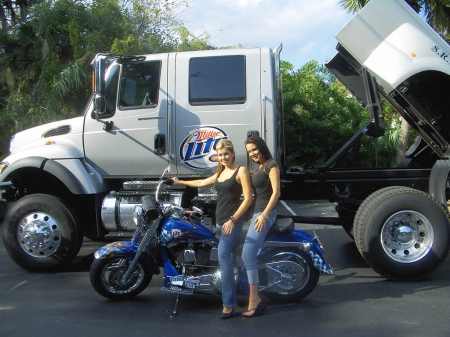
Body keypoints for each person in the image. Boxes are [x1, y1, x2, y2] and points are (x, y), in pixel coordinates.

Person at [172, 139, 252, 319]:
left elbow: (247, 199)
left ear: (232, 154)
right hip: (220, 222)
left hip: (233, 222)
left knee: (223, 257)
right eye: (220, 155)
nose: (223, 157)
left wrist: (233, 220)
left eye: (226, 154)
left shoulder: (241, 171)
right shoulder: (221, 172)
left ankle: (229, 303)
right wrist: (179, 182)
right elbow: (201, 182)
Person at [241, 135, 281, 318]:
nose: (252, 154)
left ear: (262, 147)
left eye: (254, 150)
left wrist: (264, 215)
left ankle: (254, 299)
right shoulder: (260, 168)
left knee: (248, 254)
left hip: (266, 214)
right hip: (258, 215)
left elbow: (276, 192)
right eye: (249, 152)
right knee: (248, 253)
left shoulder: (271, 165)